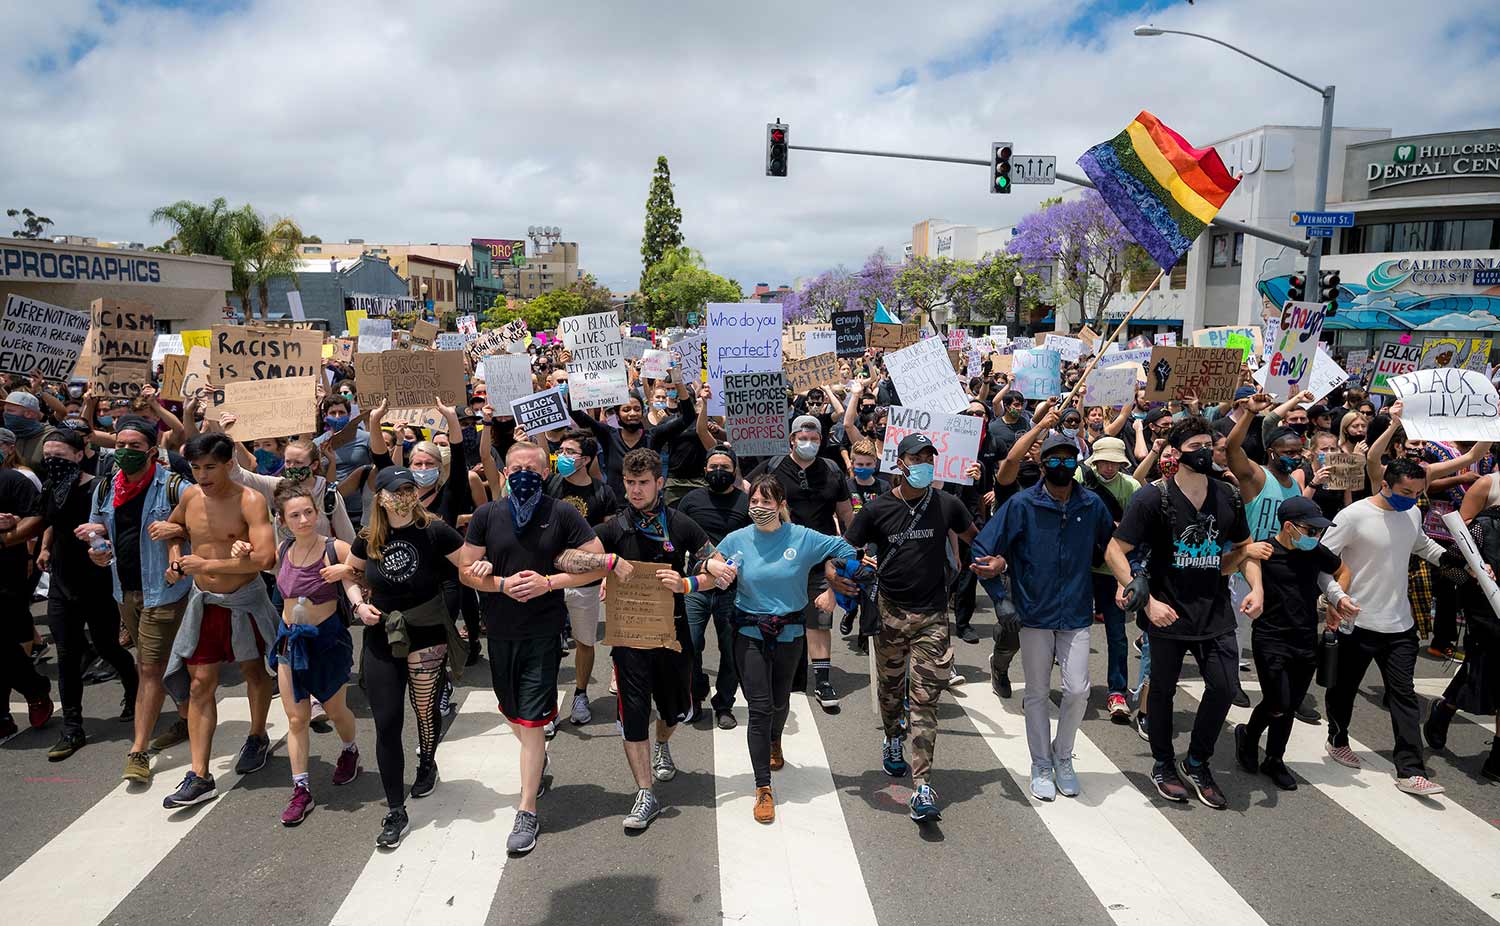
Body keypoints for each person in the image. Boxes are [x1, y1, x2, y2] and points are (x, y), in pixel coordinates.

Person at [1106, 415, 1262, 810]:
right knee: (1162, 692)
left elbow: (1244, 548)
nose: (1206, 451)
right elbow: (1114, 551)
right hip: (1167, 614)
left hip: (1215, 612)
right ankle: (1163, 764)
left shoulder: (1228, 495)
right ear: (1176, 453)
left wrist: (1256, 587)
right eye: (1196, 446)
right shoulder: (1152, 498)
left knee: (1225, 687)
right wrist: (1146, 599)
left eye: (1210, 443)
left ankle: (1197, 761)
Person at [460, 441, 604, 856]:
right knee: (514, 713)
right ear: (504, 474)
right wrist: (494, 580)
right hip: (500, 632)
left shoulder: (562, 513)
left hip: (542, 631)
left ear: (544, 474)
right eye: (515, 467)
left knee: (530, 721)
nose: (523, 474)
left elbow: (594, 560)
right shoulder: (488, 515)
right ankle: (536, 759)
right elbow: (466, 569)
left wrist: (549, 582)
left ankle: (527, 808)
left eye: (531, 468)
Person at [580, 448, 731, 832]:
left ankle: (663, 742)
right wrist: (605, 564)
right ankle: (645, 793)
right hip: (629, 641)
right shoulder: (614, 527)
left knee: (674, 711)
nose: (635, 490)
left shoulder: (681, 524)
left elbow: (717, 569)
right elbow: (567, 558)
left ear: (659, 483)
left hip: (672, 637)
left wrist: (688, 581)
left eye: (642, 483)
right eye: (629, 483)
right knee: (633, 716)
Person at [837, 432, 976, 824]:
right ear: (900, 465)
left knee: (925, 701)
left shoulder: (947, 504)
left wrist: (988, 562)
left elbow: (975, 540)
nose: (925, 465)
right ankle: (891, 736)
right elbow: (845, 548)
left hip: (932, 615)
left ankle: (922, 785)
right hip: (890, 615)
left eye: (930, 458)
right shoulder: (878, 510)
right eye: (917, 458)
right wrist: (841, 575)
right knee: (891, 691)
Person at [1318, 456, 1472, 796]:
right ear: (1385, 483)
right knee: (1343, 689)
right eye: (1405, 491)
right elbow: (1321, 562)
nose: (1412, 498)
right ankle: (1338, 737)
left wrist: (1455, 560)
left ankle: (1410, 769)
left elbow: (1419, 543)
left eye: (1418, 492)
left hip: (1400, 625)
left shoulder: (1411, 512)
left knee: (1403, 695)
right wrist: (1336, 596)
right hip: (1356, 623)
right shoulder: (1353, 516)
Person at [973, 434, 1113, 801]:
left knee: (1078, 690)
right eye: (1055, 459)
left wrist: (1135, 574)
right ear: (1043, 463)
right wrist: (1001, 599)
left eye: (1070, 459)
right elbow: (983, 550)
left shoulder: (1092, 504)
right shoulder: (1021, 505)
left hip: (1077, 613)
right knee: (1036, 692)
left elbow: (1114, 546)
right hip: (1033, 614)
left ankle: (1063, 756)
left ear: (1078, 462)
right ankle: (1041, 763)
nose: (1062, 465)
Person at [347, 467, 471, 849]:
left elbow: (468, 566)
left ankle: (426, 762)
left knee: (424, 708)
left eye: (410, 489)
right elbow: (351, 576)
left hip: (425, 631)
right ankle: (396, 809)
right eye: (397, 490)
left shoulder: (435, 530)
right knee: (386, 722)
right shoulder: (367, 538)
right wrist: (357, 606)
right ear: (381, 496)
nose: (405, 495)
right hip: (382, 633)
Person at [718, 475, 854, 823]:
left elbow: (843, 548)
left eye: (767, 502)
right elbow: (710, 565)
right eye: (754, 502)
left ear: (781, 505)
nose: (759, 508)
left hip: (790, 633)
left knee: (780, 702)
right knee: (760, 708)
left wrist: (835, 577)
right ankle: (763, 787)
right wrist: (711, 570)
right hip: (749, 631)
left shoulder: (802, 537)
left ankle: (776, 740)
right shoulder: (737, 539)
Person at [160, 432, 280, 809]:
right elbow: (175, 527)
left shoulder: (251, 500)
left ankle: (258, 735)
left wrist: (206, 564)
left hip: (244, 600)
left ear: (229, 464)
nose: (202, 475)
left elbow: (265, 559)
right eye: (195, 467)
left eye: (210, 466)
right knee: (200, 684)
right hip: (205, 602)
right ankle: (199, 774)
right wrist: (176, 559)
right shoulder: (190, 496)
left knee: (254, 672)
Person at [80, 416, 193, 781]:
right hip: (123, 590)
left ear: (151, 450)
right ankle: (188, 719)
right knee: (170, 663)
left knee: (150, 668)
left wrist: (178, 528)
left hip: (165, 590)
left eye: (134, 446)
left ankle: (138, 750)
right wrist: (97, 547)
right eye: (121, 445)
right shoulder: (104, 489)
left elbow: (209, 521)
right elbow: (99, 526)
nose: (125, 452)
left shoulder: (175, 486)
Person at [1233, 497, 1349, 791]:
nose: (1316, 537)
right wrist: (1248, 554)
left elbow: (1342, 570)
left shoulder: (1316, 552)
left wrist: (1335, 602)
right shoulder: (1265, 551)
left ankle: (1274, 759)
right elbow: (1238, 561)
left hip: (1305, 638)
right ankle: (1248, 734)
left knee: (1291, 704)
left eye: (1319, 532)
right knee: (1278, 701)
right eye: (1311, 531)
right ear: (1289, 527)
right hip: (1270, 637)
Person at [35, 428, 138, 760]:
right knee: (66, 654)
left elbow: (112, 525)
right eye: (48, 456)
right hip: (61, 584)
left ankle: (132, 685)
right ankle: (72, 727)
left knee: (107, 645)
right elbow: (50, 520)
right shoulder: (52, 486)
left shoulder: (98, 488)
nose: (53, 462)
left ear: (80, 455)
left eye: (60, 456)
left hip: (96, 581)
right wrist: (46, 548)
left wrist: (100, 539)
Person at [267, 480, 363, 826]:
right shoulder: (282, 551)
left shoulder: (335, 547)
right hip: (290, 642)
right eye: (296, 515)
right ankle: (301, 790)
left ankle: (350, 749)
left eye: (309, 511)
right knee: (296, 719)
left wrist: (350, 574)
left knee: (337, 711)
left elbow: (364, 574)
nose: (305, 519)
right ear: (283, 520)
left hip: (327, 641)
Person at [747, 415, 854, 710]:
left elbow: (846, 515)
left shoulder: (832, 470)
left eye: (814, 438)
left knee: (819, 620)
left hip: (820, 558)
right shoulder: (773, 466)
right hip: (780, 557)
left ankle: (822, 681)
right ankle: (778, 675)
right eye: (803, 437)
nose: (809, 442)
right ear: (792, 439)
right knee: (779, 617)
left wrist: (850, 548)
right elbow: (745, 489)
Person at [544, 428, 620, 727]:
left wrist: (605, 576)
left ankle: (580, 693)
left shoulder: (603, 492)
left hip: (586, 581)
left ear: (585, 459)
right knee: (547, 641)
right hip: (548, 578)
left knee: (584, 641)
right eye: (560, 450)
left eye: (569, 452)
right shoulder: (549, 484)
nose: (562, 456)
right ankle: (546, 704)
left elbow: (611, 538)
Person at [676, 443, 750, 729]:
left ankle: (724, 704)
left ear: (734, 472)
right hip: (695, 586)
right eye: (714, 467)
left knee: (730, 650)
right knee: (690, 644)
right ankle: (696, 693)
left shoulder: (746, 503)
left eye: (725, 468)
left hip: (732, 589)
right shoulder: (691, 500)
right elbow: (677, 538)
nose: (719, 472)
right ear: (705, 470)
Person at [1076, 434, 1141, 723]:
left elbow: (1136, 537)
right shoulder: (1080, 477)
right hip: (1082, 569)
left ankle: (1117, 691)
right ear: (1095, 460)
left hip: (1114, 571)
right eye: (1104, 462)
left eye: (1116, 463)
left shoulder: (1132, 487)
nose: (1109, 468)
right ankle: (1074, 687)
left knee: (1117, 634)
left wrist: (1122, 580)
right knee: (1074, 633)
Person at [0, 431, 48, 741]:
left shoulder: (14, 481)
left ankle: (33, 690)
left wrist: (6, 535)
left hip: (6, 575)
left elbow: (37, 518)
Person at [4, 389, 59, 470]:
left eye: (10, 411)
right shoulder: (7, 435)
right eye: (5, 410)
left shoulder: (51, 437)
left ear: (29, 414)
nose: (5, 414)